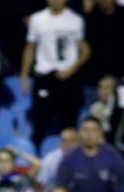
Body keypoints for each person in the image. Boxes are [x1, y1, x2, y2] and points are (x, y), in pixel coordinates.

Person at [20, 0, 90, 146]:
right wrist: (24, 76)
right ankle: (36, 156)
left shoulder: (75, 20)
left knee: (69, 121)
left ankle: (71, 157)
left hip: (68, 77)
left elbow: (85, 51)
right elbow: (30, 48)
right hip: (44, 75)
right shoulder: (37, 19)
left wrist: (71, 69)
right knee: (39, 121)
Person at [57, 116, 124, 192]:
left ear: (100, 133)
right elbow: (60, 188)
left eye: (94, 130)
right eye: (86, 130)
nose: (90, 134)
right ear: (80, 133)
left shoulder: (112, 156)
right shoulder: (69, 159)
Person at [89, 75, 123, 144]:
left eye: (107, 87)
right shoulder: (94, 108)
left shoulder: (120, 107)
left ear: (115, 90)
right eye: (100, 87)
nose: (102, 91)